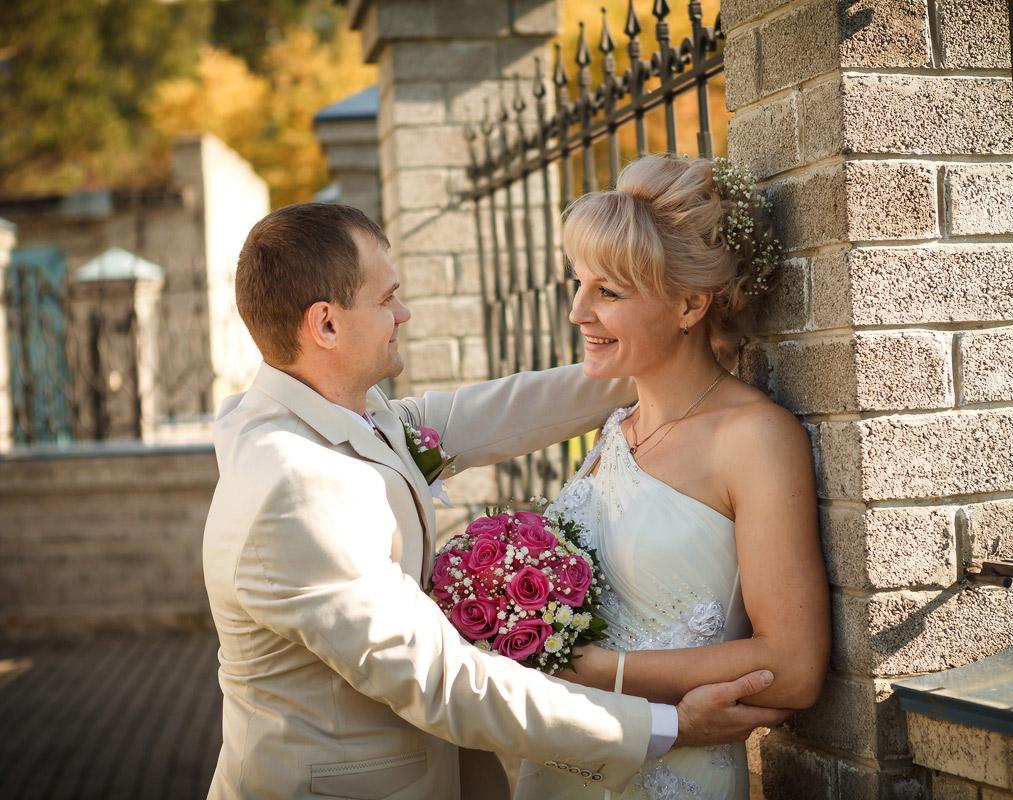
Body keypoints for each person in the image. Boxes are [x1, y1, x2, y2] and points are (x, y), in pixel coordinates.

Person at [202, 202, 793, 800]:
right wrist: (667, 725)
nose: (403, 313)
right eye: (386, 300)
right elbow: (439, 680)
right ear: (325, 325)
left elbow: (495, 413)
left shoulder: (340, 411)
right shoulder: (295, 479)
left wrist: (655, 347)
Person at [514, 155, 831, 800]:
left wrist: (610, 670)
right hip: (572, 761)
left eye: (608, 292)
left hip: (675, 777)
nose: (578, 311)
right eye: (579, 284)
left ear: (690, 303)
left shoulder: (753, 438)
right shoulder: (615, 432)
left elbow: (794, 666)